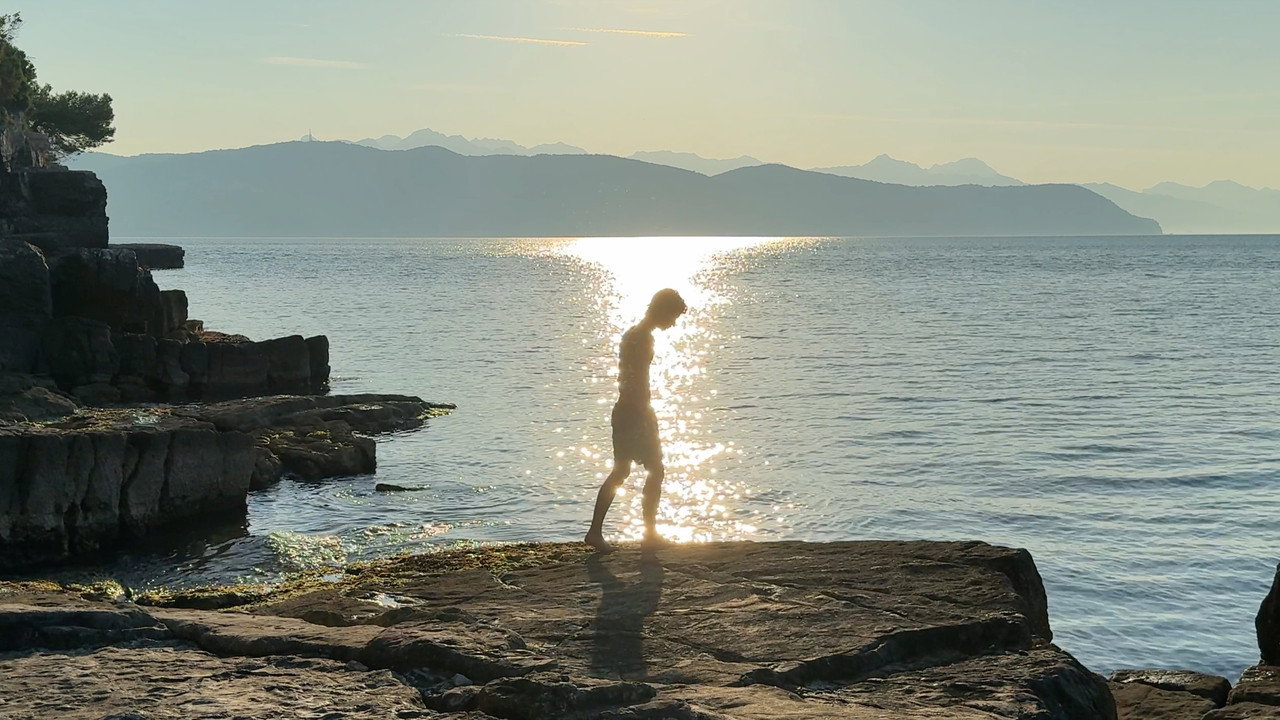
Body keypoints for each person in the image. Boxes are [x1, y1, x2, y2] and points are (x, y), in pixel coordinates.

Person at [585, 288, 688, 551]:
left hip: (627, 410)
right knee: (653, 469)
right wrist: (643, 414)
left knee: (624, 470)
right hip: (634, 411)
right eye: (673, 316)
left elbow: (627, 377)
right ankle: (647, 534)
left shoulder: (633, 334)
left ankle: (598, 532)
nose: (673, 323)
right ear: (661, 310)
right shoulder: (642, 338)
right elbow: (634, 379)